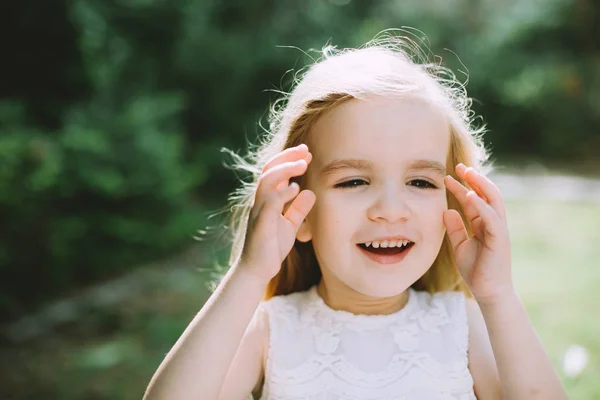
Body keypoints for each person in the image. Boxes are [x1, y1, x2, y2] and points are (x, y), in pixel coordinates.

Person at [143, 31, 568, 400]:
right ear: (297, 211)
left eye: (420, 182)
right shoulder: (272, 331)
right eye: (353, 182)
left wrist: (497, 296)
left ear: (451, 206)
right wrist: (250, 274)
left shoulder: (460, 327)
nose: (390, 210)